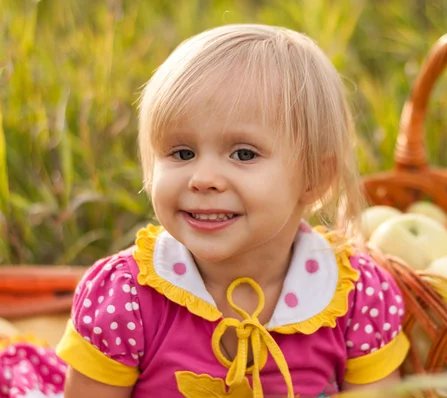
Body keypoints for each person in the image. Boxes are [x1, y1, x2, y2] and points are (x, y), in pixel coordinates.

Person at [55, 24, 410, 397]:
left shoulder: (354, 296)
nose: (203, 179)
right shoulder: (126, 298)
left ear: (315, 178)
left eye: (244, 154)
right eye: (182, 153)